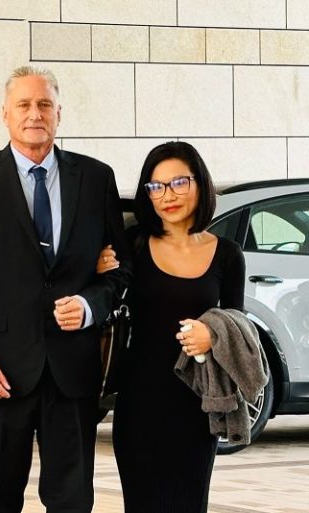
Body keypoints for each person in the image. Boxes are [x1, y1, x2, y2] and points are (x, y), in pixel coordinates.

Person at [0, 65, 132, 513]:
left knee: (72, 501)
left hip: (72, 372)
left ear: (59, 113)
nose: (34, 113)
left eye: (44, 104)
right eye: (23, 104)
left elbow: (122, 271)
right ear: (5, 114)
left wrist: (89, 304)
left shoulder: (95, 178)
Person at [97, 141, 246, 512]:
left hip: (196, 407)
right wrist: (100, 274)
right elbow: (105, 303)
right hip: (139, 404)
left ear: (200, 184)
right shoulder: (132, 244)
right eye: (156, 186)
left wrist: (213, 334)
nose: (168, 195)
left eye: (179, 182)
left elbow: (238, 325)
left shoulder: (227, 254)